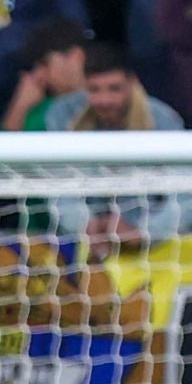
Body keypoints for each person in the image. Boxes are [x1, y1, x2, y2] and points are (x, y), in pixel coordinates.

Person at [47, 43, 188, 253]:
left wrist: (145, 232)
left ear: (132, 83)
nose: (104, 100)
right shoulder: (63, 115)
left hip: (156, 247)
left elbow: (185, 196)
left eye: (114, 88)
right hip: (84, 247)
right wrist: (85, 226)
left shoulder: (162, 120)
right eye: (94, 89)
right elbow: (58, 188)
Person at [1, 15, 89, 129]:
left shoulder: (108, 99)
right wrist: (19, 109)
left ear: (76, 56)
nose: (39, 75)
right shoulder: (39, 112)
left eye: (45, 64)